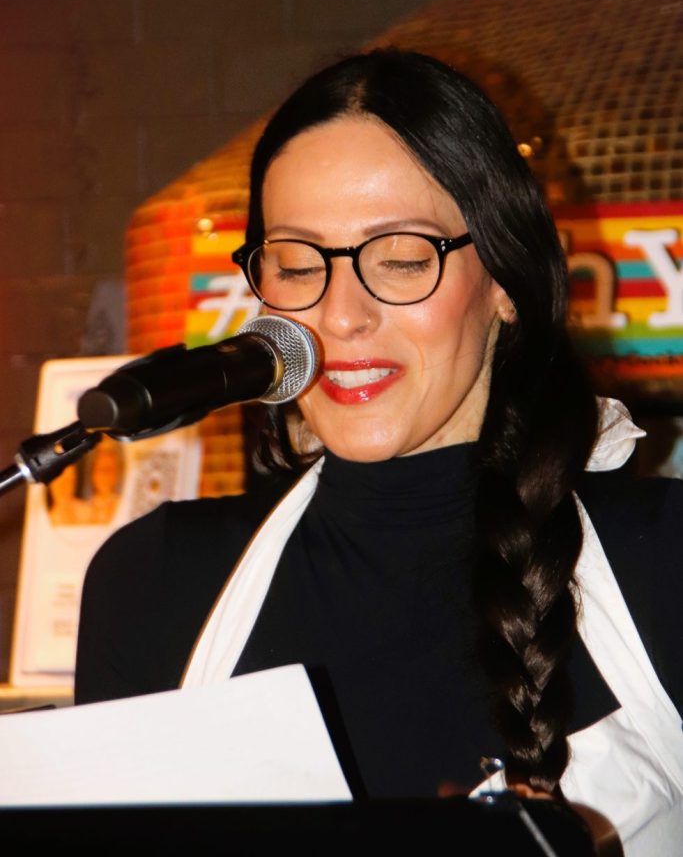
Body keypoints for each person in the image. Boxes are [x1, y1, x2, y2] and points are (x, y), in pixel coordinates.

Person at [75, 50, 682, 855]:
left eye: (400, 258)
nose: (340, 315)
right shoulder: (152, 582)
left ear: (503, 280)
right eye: (297, 265)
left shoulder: (664, 557)